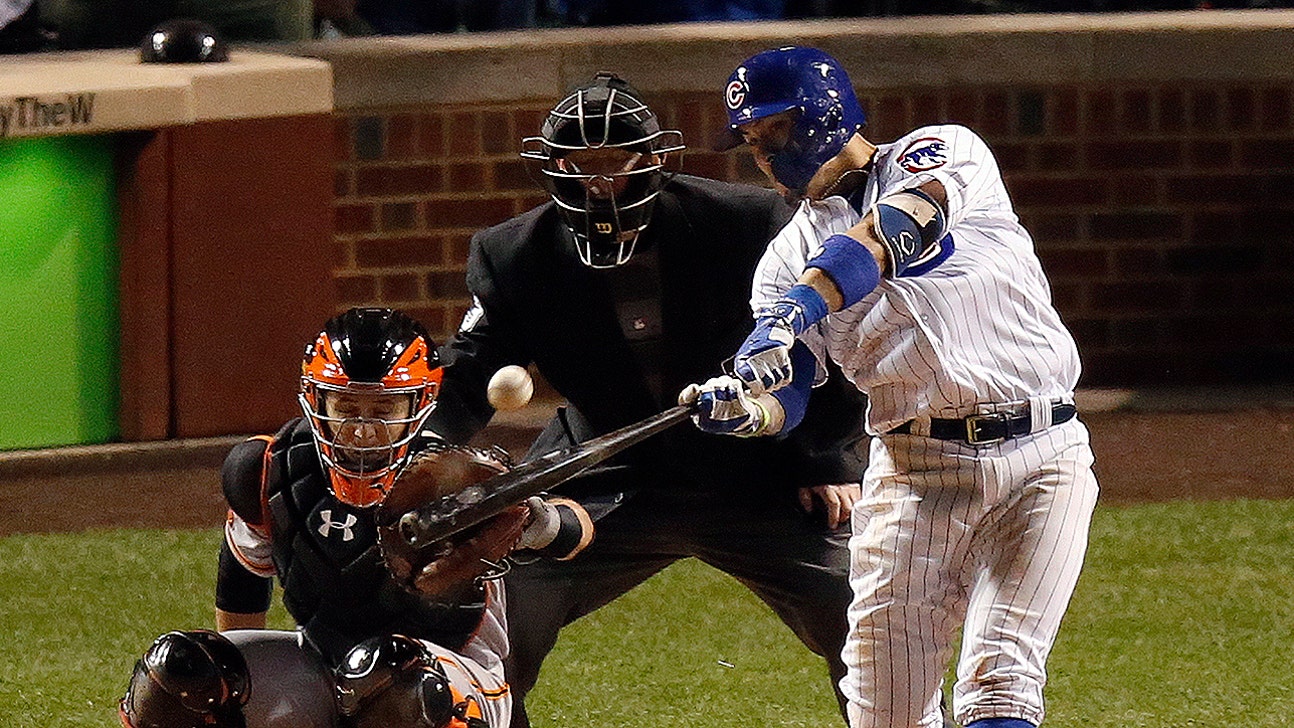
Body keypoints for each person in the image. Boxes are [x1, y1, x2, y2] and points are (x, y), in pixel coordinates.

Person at [425, 72, 869, 727]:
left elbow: (831, 340)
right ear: (551, 169)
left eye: (614, 163)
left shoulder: (750, 224)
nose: (598, 183)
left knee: (865, 618)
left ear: (655, 160)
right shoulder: (514, 255)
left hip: (756, 469)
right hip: (599, 475)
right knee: (488, 619)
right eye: (579, 166)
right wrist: (425, 453)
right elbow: (469, 373)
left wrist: (828, 460)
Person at [682, 46, 1100, 728]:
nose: (763, 153)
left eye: (774, 130)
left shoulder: (941, 152)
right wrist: (746, 409)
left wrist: (799, 309)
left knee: (1000, 683)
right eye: (752, 142)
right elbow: (789, 396)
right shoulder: (781, 261)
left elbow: (892, 233)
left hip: (1042, 460)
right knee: (887, 715)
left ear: (824, 111)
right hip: (915, 478)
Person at [119, 307, 593, 728]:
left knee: (389, 678)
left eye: (383, 408)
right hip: (321, 660)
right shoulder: (267, 469)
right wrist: (231, 692)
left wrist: (538, 521)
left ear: (420, 404)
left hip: (450, 675)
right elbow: (241, 581)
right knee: (178, 671)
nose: (364, 428)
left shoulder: (454, 478)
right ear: (315, 399)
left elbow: (578, 530)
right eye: (346, 405)